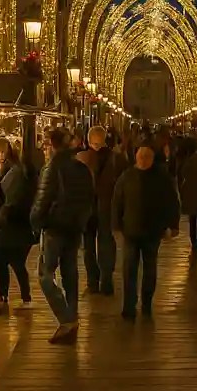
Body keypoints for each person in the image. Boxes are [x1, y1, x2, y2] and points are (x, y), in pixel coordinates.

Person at [31, 127, 95, 343]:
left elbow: (43, 200)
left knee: (45, 275)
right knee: (70, 273)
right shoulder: (81, 168)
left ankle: (67, 319)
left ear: (52, 145)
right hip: (74, 228)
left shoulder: (52, 168)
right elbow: (89, 197)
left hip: (54, 228)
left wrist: (36, 222)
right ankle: (72, 318)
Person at [112, 144, 182, 319]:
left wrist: (173, 225)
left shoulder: (161, 178)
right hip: (131, 231)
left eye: (147, 157)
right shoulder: (126, 177)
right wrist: (116, 226)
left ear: (152, 159)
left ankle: (146, 303)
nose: (143, 160)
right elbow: (117, 202)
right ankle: (129, 305)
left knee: (150, 269)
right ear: (136, 157)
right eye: (141, 157)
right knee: (129, 270)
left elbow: (172, 202)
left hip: (153, 231)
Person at [0, 139, 35, 314]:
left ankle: (19, 298)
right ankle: (8, 297)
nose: (0, 156)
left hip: (13, 226)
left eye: (2, 152)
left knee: (14, 262)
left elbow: (10, 200)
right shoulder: (5, 170)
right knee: (6, 262)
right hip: (11, 226)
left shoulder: (14, 172)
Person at [77, 125, 123, 296]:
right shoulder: (115, 159)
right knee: (105, 242)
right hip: (106, 206)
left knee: (88, 245)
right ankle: (106, 280)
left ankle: (93, 282)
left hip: (87, 207)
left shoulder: (81, 158)